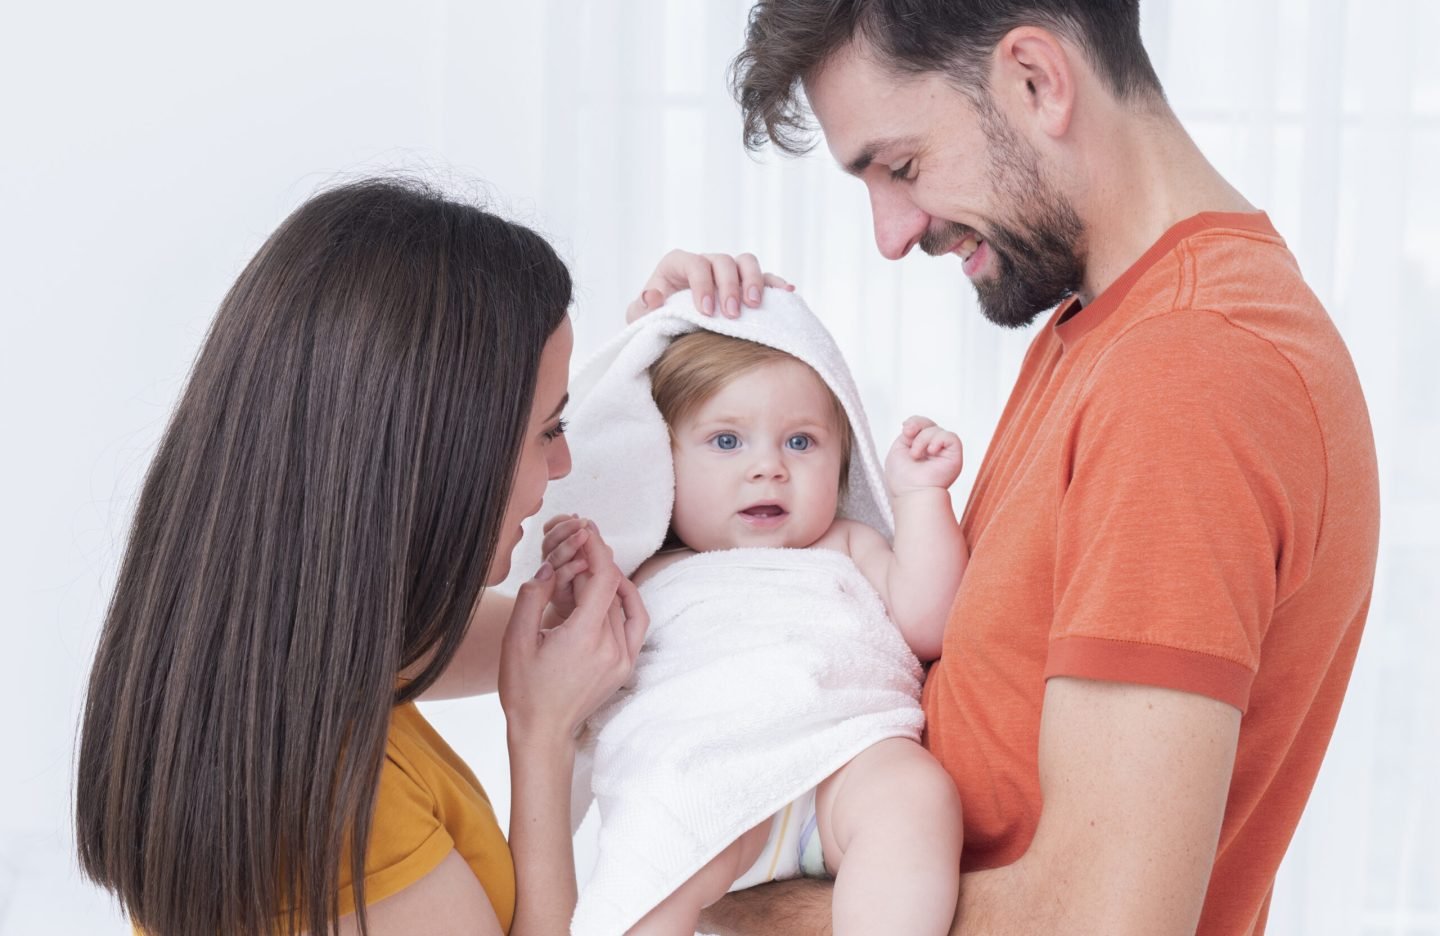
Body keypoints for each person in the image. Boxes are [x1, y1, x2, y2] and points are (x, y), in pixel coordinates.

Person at [630, 1, 1382, 933]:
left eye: (902, 167)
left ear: (1036, 79)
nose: (893, 233)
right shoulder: (1105, 331)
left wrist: (721, 908)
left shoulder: (1189, 373)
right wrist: (650, 386)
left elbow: (1102, 921)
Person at [74, 178, 648, 936]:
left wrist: (673, 349)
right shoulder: (338, 811)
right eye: (549, 430)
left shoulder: (265, 664)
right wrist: (539, 738)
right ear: (439, 457)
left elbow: (528, 645)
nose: (565, 464)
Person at [542, 323, 966, 935]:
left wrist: (921, 497)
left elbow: (931, 624)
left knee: (918, 798)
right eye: (725, 441)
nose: (767, 467)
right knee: (648, 862)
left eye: (800, 441)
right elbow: (579, 668)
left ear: (843, 461)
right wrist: (570, 585)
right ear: (662, 465)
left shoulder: (849, 543)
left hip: (843, 772)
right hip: (704, 787)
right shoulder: (647, 573)